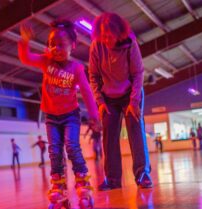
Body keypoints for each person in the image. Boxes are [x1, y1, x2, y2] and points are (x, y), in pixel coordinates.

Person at [18, 19, 100, 208]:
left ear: (73, 45)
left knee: (71, 146)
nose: (56, 48)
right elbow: (26, 58)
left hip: (71, 115)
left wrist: (94, 116)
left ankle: (82, 181)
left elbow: (87, 92)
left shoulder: (76, 68)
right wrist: (24, 41)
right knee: (54, 150)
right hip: (51, 117)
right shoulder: (45, 61)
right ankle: (59, 185)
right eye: (52, 44)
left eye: (61, 45)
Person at [89, 12, 152, 190]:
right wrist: (100, 102)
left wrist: (133, 102)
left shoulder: (130, 44)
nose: (106, 40)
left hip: (130, 94)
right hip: (108, 97)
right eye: (103, 36)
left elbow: (138, 73)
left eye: (110, 36)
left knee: (135, 130)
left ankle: (142, 174)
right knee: (109, 135)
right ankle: (113, 179)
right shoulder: (96, 46)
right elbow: (93, 75)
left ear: (119, 34)